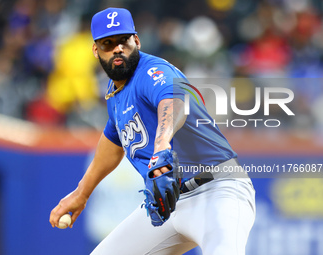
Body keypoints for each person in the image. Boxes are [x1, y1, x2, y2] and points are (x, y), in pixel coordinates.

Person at [49, 7, 256, 255]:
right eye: (108, 43)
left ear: (136, 40)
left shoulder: (152, 72)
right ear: (96, 50)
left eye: (123, 41)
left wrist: (161, 145)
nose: (117, 48)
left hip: (219, 190)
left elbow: (175, 101)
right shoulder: (115, 91)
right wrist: (82, 193)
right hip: (169, 205)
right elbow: (112, 140)